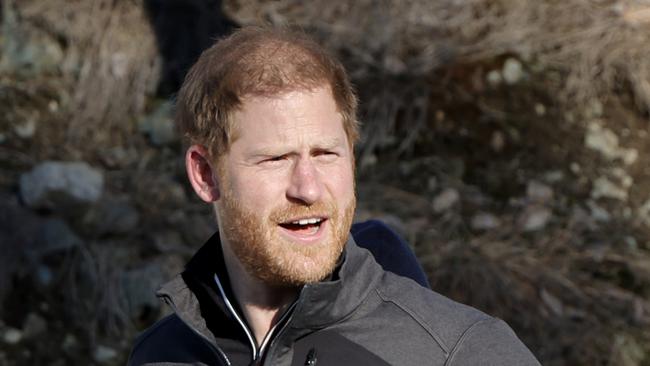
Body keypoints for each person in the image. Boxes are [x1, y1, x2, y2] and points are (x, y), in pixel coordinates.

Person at [128, 26, 540, 366]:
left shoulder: (463, 353)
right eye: (274, 159)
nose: (307, 188)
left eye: (325, 154)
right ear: (205, 174)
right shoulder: (160, 356)